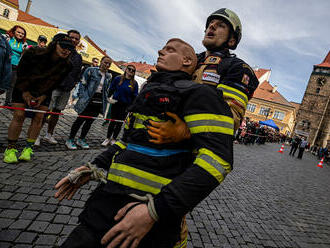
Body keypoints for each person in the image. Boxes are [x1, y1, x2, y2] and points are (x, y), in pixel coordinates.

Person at [55, 38, 234, 248]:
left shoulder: (200, 94)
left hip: (150, 219)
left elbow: (218, 160)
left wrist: (155, 210)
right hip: (106, 203)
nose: (160, 50)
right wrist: (94, 168)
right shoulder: (150, 90)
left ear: (187, 61)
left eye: (169, 49)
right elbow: (126, 143)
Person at [146, 8, 258, 145]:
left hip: (198, 148)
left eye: (221, 25)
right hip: (160, 140)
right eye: (211, 23)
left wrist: (186, 131)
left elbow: (230, 119)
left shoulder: (237, 68)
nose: (212, 26)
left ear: (232, 40)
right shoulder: (190, 59)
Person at [2, 33, 73, 163]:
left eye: (70, 48)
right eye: (63, 46)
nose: (66, 50)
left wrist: (44, 95)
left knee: (39, 118)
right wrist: (25, 92)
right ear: (54, 44)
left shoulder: (67, 65)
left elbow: (56, 82)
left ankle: (28, 149)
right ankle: (10, 149)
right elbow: (21, 72)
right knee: (19, 115)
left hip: (44, 91)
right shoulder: (33, 52)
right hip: (23, 85)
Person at [42, 30, 83, 145]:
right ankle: (36, 134)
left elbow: (77, 73)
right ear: (67, 37)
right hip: (54, 86)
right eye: (72, 37)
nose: (74, 40)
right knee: (46, 110)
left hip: (66, 88)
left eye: (76, 39)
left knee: (57, 112)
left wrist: (73, 83)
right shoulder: (60, 50)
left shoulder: (78, 56)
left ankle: (49, 134)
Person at [65, 56, 113, 149]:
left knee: (90, 122)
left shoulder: (108, 76)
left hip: (98, 101)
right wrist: (83, 96)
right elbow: (83, 83)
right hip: (88, 98)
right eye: (105, 62)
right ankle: (70, 139)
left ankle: (81, 139)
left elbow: (106, 89)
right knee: (80, 120)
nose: (107, 65)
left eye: (109, 64)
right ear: (101, 62)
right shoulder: (91, 70)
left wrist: (106, 100)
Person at [101, 64, 138, 146]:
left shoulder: (134, 83)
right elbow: (111, 89)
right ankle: (107, 138)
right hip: (115, 103)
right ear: (126, 69)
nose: (131, 71)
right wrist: (108, 98)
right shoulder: (118, 79)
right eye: (129, 69)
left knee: (119, 123)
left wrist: (131, 108)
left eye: (133, 70)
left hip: (126, 106)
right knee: (112, 122)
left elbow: (135, 96)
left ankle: (114, 139)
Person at [3, 25, 28, 106]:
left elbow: (24, 55)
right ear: (14, 31)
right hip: (4, 63)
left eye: (22, 34)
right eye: (18, 32)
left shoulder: (24, 44)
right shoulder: (7, 38)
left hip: (15, 66)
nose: (20, 34)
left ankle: (8, 102)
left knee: (12, 85)